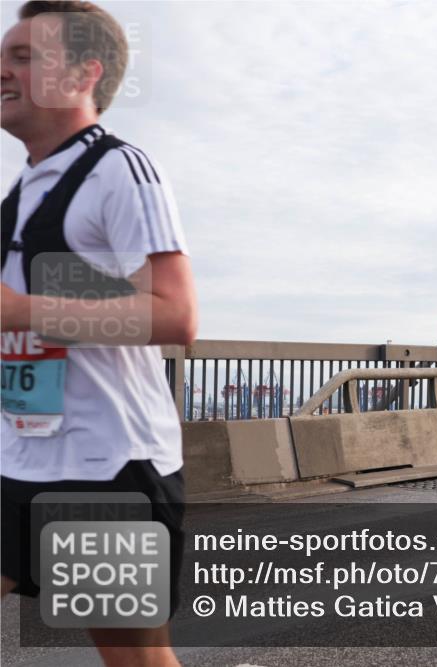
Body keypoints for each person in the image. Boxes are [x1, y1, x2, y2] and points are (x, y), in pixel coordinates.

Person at [1, 2, 196, 666]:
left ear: (85, 72)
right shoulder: (21, 192)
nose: (2, 68)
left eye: (23, 56)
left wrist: (22, 311)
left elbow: (176, 316)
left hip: (106, 463)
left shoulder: (120, 170)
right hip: (19, 457)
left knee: (135, 659)